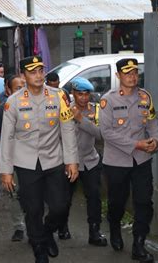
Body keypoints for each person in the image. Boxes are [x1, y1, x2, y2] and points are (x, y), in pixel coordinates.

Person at [0, 56, 79, 263]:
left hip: (53, 159)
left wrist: (72, 161)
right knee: (33, 209)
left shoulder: (59, 96)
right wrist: (6, 170)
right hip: (26, 163)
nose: (38, 75)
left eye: (40, 71)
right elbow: (7, 137)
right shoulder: (13, 102)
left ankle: (47, 232)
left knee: (60, 206)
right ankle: (39, 250)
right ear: (23, 75)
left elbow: (67, 129)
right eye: (33, 71)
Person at [99, 58, 158, 262]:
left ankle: (139, 244)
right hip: (116, 162)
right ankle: (114, 227)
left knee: (144, 201)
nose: (132, 77)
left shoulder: (145, 97)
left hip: (141, 161)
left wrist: (155, 141)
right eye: (127, 73)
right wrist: (136, 144)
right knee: (117, 201)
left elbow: (151, 123)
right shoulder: (108, 100)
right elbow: (106, 133)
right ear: (118, 76)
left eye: (135, 72)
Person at [58, 77, 108, 246]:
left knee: (94, 197)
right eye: (80, 94)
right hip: (69, 162)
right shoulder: (64, 110)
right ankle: (62, 227)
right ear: (73, 93)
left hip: (90, 160)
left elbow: (101, 134)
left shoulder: (96, 110)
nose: (84, 98)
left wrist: (81, 119)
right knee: (65, 198)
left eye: (87, 94)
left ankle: (94, 232)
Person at [0, 75, 26, 241]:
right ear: (8, 90)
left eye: (24, 86)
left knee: (34, 195)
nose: (22, 90)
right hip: (12, 160)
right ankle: (19, 227)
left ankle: (35, 228)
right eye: (18, 88)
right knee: (15, 194)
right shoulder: (2, 109)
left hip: (36, 160)